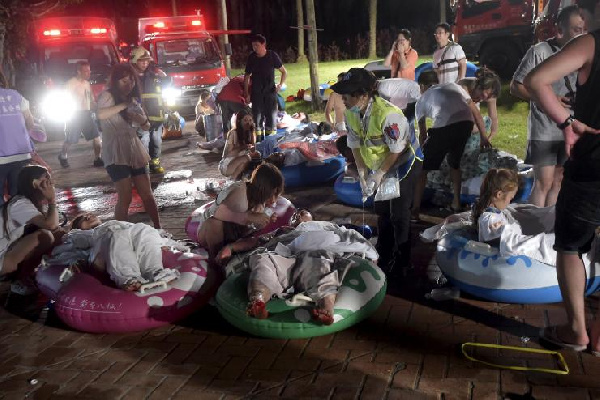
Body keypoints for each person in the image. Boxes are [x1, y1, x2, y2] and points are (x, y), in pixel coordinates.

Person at [524, 1, 600, 353]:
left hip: (591, 167)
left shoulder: (589, 43)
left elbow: (536, 81)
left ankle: (577, 332)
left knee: (570, 246)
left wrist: (568, 124)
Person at [331, 68, 423, 276]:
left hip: (402, 164)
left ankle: (402, 261)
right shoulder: (352, 113)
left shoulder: (388, 115)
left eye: (347, 94)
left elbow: (396, 150)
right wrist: (363, 173)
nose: (342, 98)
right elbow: (354, 144)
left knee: (399, 214)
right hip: (380, 163)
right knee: (382, 210)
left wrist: (379, 174)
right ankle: (384, 249)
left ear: (363, 95)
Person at [216, 210, 378, 324]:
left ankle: (325, 307)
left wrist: (368, 253)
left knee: (320, 262)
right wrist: (231, 247)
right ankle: (258, 300)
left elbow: (352, 237)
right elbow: (256, 241)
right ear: (291, 221)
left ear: (312, 218)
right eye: (296, 214)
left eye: (304, 213)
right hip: (285, 255)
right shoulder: (282, 231)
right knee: (263, 261)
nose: (299, 215)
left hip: (315, 251)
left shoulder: (326, 227)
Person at [510, 5, 585, 208]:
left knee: (559, 181)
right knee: (543, 183)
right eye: (577, 30)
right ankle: (535, 230)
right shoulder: (540, 51)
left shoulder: (582, 55)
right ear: (560, 29)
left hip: (569, 128)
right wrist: (546, 99)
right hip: (544, 130)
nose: (583, 34)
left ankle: (549, 228)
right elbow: (516, 87)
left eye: (584, 29)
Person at [412, 69, 499, 218]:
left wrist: (424, 151)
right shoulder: (454, 87)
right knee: (455, 164)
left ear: (422, 87)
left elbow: (423, 132)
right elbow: (476, 113)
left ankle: (414, 209)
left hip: (444, 127)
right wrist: (484, 137)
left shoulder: (422, 100)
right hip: (465, 124)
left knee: (422, 170)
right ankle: (456, 203)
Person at [96, 63, 161, 229]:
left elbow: (146, 126)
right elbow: (101, 114)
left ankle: (159, 229)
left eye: (131, 80)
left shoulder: (133, 100)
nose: (129, 84)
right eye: (124, 81)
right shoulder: (107, 96)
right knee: (125, 197)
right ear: (115, 81)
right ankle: (121, 234)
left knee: (147, 194)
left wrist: (143, 121)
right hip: (115, 152)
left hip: (134, 149)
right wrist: (124, 106)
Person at [57, 212, 179, 291]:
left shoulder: (117, 224)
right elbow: (73, 249)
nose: (88, 216)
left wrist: (160, 242)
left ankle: (155, 272)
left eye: (89, 214)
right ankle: (129, 278)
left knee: (144, 229)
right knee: (115, 235)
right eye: (83, 219)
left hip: (128, 240)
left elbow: (140, 234)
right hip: (102, 253)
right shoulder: (80, 234)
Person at [196, 162, 284, 259]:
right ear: (263, 189)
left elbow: (248, 230)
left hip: (230, 236)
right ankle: (216, 260)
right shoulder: (239, 193)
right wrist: (249, 217)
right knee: (214, 223)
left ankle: (227, 254)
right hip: (207, 232)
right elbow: (218, 214)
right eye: (273, 194)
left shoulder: (259, 204)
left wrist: (265, 220)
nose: (274, 200)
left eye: (277, 194)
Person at [0, 165, 60, 295]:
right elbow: (51, 225)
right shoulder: (20, 204)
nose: (51, 184)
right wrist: (52, 200)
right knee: (45, 237)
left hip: (4, 252)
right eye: (46, 179)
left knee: (57, 235)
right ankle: (19, 280)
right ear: (35, 183)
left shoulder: (25, 201)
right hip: (1, 259)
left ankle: (18, 275)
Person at [58, 61, 103, 168]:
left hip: (87, 114)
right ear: (79, 71)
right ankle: (63, 155)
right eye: (86, 71)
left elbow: (90, 99)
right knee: (71, 139)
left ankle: (98, 158)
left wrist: (96, 107)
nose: (89, 73)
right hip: (75, 115)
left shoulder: (87, 84)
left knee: (97, 138)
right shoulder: (70, 84)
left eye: (89, 70)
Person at [131, 46, 168, 174]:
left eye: (147, 61)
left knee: (156, 140)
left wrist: (165, 78)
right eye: (142, 61)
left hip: (156, 115)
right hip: (141, 116)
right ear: (135, 61)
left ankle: (155, 163)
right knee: (144, 141)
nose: (145, 63)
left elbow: (165, 87)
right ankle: (144, 165)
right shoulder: (130, 77)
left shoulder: (153, 76)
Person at [0, 71, 35, 207]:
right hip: (22, 154)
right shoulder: (16, 96)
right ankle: (19, 226)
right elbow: (30, 122)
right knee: (18, 198)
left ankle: (3, 226)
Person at [244, 34, 287, 142]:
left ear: (264, 45)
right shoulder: (252, 58)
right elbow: (247, 76)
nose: (255, 48)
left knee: (271, 119)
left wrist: (280, 85)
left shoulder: (272, 56)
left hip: (270, 93)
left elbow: (284, 72)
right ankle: (258, 144)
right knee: (257, 120)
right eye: (253, 46)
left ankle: (270, 143)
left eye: (257, 45)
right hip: (256, 93)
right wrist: (246, 93)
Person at [219, 110, 261, 179]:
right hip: (227, 164)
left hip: (239, 161)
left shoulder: (250, 132)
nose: (248, 123)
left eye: (250, 120)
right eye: (245, 120)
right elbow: (228, 154)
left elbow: (253, 150)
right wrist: (242, 147)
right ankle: (234, 179)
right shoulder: (233, 133)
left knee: (257, 155)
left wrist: (253, 134)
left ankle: (233, 180)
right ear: (239, 121)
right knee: (246, 158)